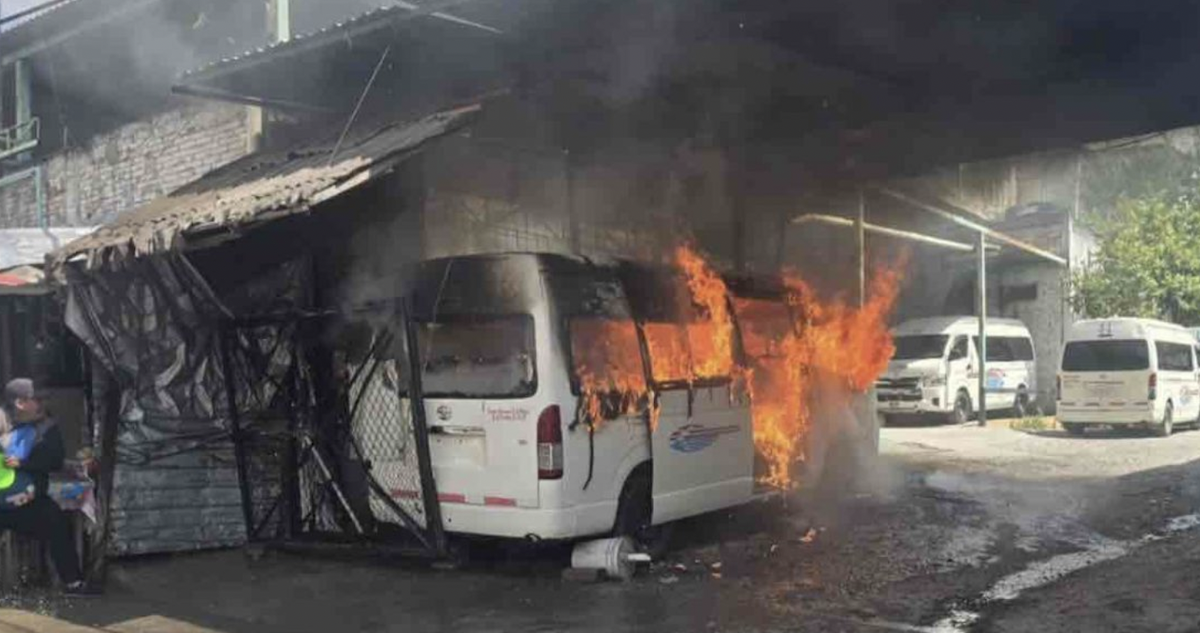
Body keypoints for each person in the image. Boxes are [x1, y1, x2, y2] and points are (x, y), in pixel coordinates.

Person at [0, 378, 94, 596]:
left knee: (56, 522)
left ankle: (72, 582)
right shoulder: (4, 425)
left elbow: (54, 460)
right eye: (36, 400)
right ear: (20, 403)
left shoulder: (46, 428)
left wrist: (24, 463)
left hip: (29, 505)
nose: (42, 404)